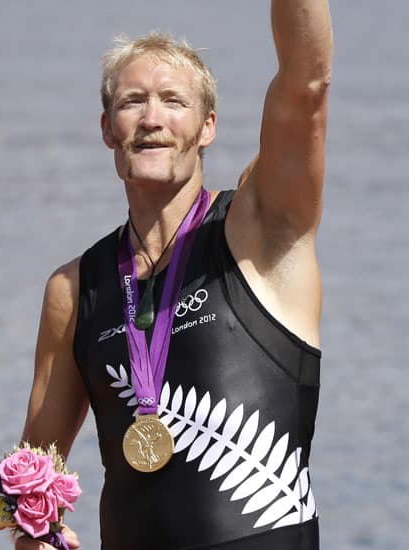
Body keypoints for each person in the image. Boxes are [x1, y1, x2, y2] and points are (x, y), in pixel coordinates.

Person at [17, 1, 332, 548]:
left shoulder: (262, 232)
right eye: (132, 102)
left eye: (173, 102)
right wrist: (33, 534)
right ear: (107, 129)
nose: (152, 119)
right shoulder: (72, 290)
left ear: (208, 127)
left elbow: (306, 84)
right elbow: (33, 473)